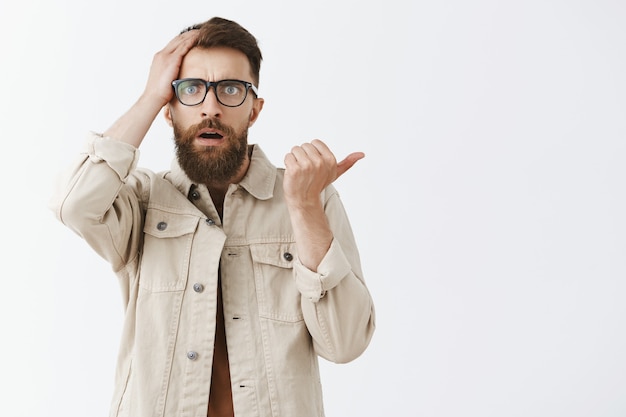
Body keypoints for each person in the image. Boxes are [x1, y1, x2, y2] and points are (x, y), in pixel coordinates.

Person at [50, 16, 375, 417]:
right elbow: (73, 204)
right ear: (168, 110)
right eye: (191, 89)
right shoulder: (141, 200)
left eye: (231, 89)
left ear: (254, 110)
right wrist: (150, 96)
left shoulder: (310, 198)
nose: (211, 107)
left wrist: (305, 208)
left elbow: (344, 344)